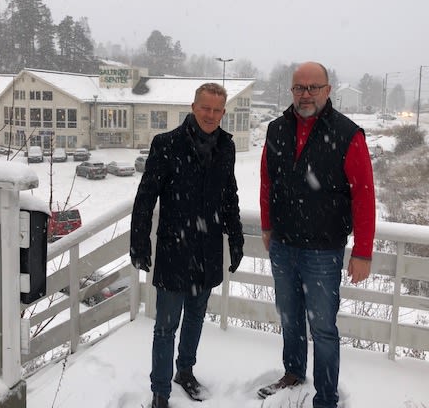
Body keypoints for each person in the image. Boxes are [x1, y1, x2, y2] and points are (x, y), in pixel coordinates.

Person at [257, 62, 376, 408]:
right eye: (299, 88)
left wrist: (363, 251)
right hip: (283, 245)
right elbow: (267, 182)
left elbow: (364, 195)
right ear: (291, 90)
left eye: (313, 87)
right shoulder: (276, 129)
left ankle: (326, 397)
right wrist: (267, 226)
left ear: (328, 89)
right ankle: (293, 372)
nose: (305, 94)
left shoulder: (348, 134)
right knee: (289, 317)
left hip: (323, 252)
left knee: (323, 329)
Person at [130, 82, 245, 408]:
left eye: (217, 110)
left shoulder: (226, 147)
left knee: (195, 317)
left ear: (223, 112)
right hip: (174, 249)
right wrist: (139, 241)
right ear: (194, 107)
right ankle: (160, 392)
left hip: (207, 251)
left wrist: (236, 238)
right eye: (205, 108)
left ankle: (185, 372)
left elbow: (229, 196)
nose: (210, 115)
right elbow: (146, 195)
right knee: (166, 326)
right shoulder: (166, 144)